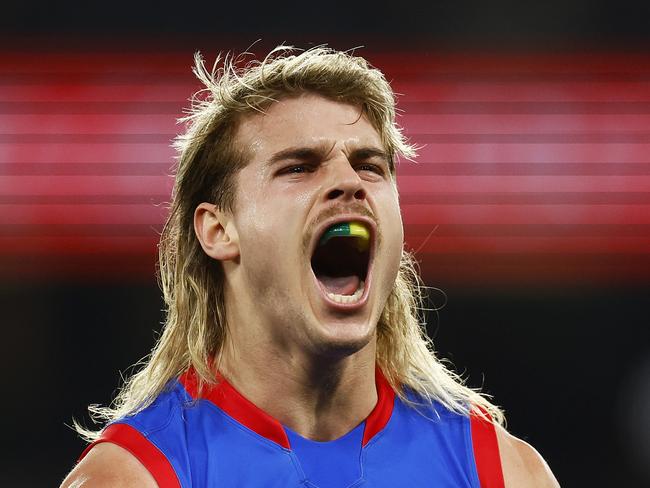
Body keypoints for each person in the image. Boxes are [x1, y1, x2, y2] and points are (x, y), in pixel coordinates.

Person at [61, 46, 559, 487]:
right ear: (218, 230)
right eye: (298, 167)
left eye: (370, 165)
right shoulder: (134, 475)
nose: (349, 182)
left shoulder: (501, 470)